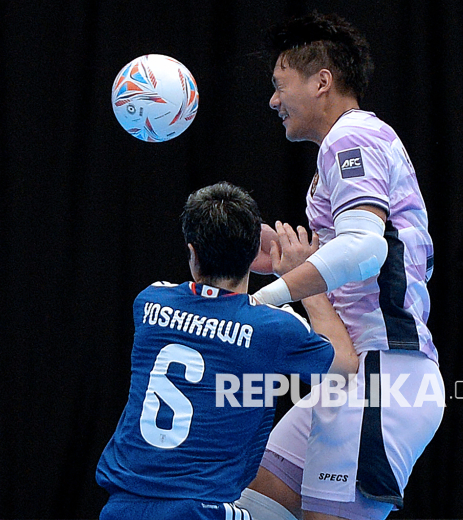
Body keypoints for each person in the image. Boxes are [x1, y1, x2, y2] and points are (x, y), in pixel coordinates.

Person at [236, 13, 445, 520]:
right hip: (351, 377)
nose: (273, 101)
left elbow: (364, 249)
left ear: (321, 81)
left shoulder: (352, 138)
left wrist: (261, 301)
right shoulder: (346, 147)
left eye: (280, 84)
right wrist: (282, 259)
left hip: (384, 376)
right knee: (256, 495)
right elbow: (363, 255)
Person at [96, 182, 359, 520]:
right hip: (202, 511)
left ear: (192, 252)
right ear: (250, 255)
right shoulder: (273, 328)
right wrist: (302, 278)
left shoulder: (150, 302)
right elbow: (346, 365)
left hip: (121, 508)